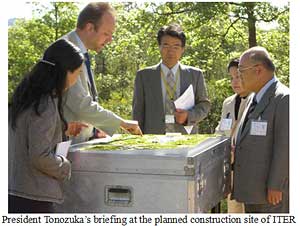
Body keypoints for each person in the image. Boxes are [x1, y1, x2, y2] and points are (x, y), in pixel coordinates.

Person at [8, 39, 87, 213]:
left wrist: (62, 130)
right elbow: (40, 156)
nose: (76, 79)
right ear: (65, 71)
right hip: (34, 198)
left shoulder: (24, 97)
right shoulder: (45, 104)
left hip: (15, 191)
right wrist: (65, 166)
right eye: (77, 73)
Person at [63, 2, 142, 144]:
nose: (110, 40)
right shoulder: (65, 51)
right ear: (89, 27)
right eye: (106, 34)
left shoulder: (81, 50)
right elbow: (80, 104)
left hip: (80, 142)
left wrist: (94, 130)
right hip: (61, 147)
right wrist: (122, 123)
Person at [232, 46, 289, 213]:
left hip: (271, 195)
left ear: (258, 70)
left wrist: (276, 185)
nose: (238, 75)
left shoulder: (284, 99)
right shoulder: (253, 97)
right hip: (252, 190)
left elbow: (285, 147)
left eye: (241, 70)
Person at [132, 23, 210, 134]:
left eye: (176, 46)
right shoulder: (144, 76)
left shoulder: (195, 75)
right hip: (154, 140)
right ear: (159, 46)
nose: (171, 51)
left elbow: (204, 105)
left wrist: (189, 116)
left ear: (183, 49)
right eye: (166, 45)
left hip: (185, 140)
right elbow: (137, 111)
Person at [215, 58, 253, 213]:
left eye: (238, 76)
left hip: (249, 170)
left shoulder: (257, 100)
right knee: (234, 211)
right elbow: (221, 129)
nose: (235, 81)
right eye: (231, 78)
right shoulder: (228, 102)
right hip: (229, 169)